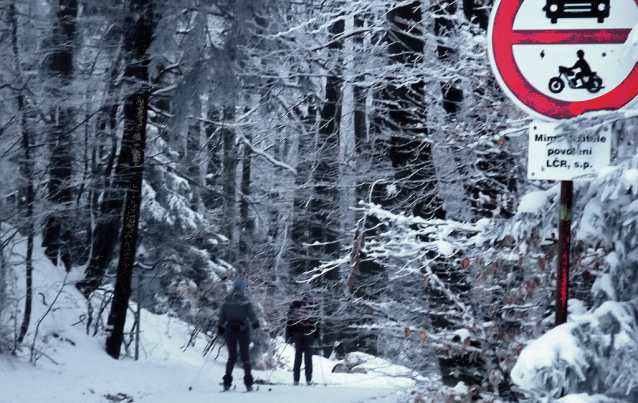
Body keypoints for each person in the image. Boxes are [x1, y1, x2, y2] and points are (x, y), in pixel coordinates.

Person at [218, 279, 260, 391]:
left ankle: (227, 383)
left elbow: (222, 316)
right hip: (243, 330)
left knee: (231, 357)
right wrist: (255, 323)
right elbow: (251, 315)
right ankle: (248, 384)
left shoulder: (226, 300)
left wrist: (220, 327)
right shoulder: (245, 300)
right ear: (243, 288)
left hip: (230, 330)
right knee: (245, 357)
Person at [286, 283, 320, 385]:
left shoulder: (295, 303)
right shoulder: (313, 304)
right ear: (309, 291)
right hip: (309, 333)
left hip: (297, 333)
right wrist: (316, 333)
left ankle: (296, 379)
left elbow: (290, 318)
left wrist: (290, 332)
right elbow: (317, 320)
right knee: (308, 357)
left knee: (298, 356)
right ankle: (308, 379)